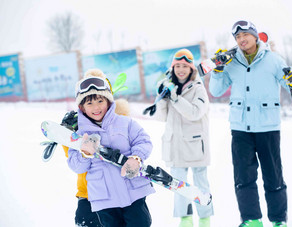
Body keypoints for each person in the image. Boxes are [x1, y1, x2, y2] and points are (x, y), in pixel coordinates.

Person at [209, 20, 292, 227]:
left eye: (245, 35)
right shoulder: (230, 63)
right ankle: (251, 219)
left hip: (267, 127)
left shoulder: (274, 60)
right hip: (240, 128)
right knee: (244, 176)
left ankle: (278, 220)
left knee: (273, 175)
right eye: (237, 37)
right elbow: (215, 91)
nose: (241, 40)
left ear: (255, 35)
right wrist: (218, 70)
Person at [67, 68, 155, 227]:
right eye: (90, 103)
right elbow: (75, 166)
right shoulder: (80, 135)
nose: (96, 107)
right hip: (104, 199)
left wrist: (136, 158)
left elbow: (144, 141)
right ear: (82, 107)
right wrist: (84, 154)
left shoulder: (125, 122)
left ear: (108, 101)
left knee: (141, 223)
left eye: (100, 101)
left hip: (132, 191)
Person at [154, 49, 214, 227]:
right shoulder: (170, 86)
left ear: (191, 69)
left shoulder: (198, 88)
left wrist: (175, 98)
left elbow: (195, 113)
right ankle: (185, 219)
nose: (180, 69)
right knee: (179, 185)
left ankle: (204, 218)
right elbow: (160, 118)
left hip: (196, 145)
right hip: (174, 145)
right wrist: (162, 97)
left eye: (184, 66)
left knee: (200, 183)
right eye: (177, 66)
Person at [60, 98, 130, 227]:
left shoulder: (119, 123)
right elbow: (72, 158)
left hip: (117, 196)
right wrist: (68, 134)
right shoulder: (82, 125)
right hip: (87, 196)